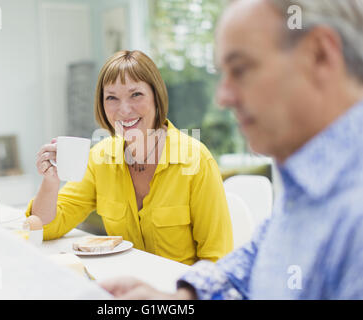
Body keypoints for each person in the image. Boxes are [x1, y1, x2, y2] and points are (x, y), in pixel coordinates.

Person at [100, 0, 363, 299]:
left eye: (240, 69)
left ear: (319, 55)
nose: (222, 98)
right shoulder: (310, 180)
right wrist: (180, 299)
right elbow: (252, 262)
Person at [26, 50, 233, 265]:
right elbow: (44, 228)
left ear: (156, 96)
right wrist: (51, 181)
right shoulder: (100, 159)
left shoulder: (196, 161)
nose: (124, 110)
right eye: (112, 98)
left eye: (136, 95)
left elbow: (217, 260)